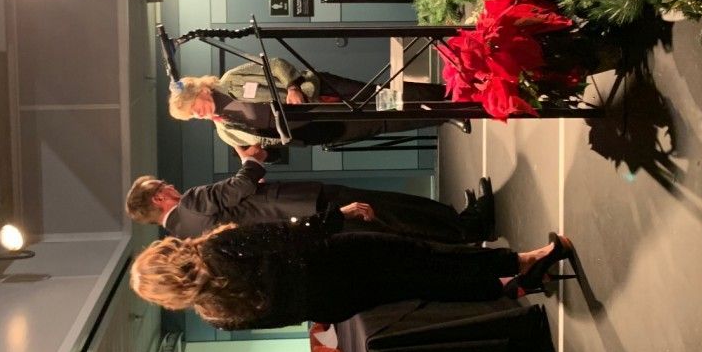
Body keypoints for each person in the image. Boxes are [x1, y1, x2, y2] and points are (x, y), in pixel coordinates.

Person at [130, 212, 577, 330]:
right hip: (337, 260)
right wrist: (336, 217)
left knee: (424, 286)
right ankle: (523, 261)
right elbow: (288, 236)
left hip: (334, 302)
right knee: (426, 258)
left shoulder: (214, 315)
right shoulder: (217, 247)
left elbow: (282, 316)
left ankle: (515, 287)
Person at [127, 144, 496, 242]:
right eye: (163, 187)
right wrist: (251, 160)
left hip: (305, 226)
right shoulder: (191, 202)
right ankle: (467, 227)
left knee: (390, 225)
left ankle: (459, 223)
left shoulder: (186, 237)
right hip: (306, 204)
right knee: (390, 209)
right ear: (158, 198)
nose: (170, 186)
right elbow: (239, 186)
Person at [168, 56, 458, 149]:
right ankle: (444, 115)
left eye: (194, 109)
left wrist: (292, 87)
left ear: (199, 91)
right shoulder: (226, 131)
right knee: (381, 124)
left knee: (383, 97)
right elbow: (262, 146)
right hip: (317, 128)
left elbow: (276, 64)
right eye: (193, 117)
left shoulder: (232, 79)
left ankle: (451, 95)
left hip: (319, 93)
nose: (198, 115)